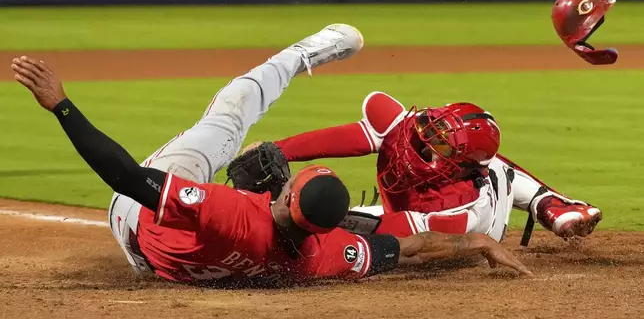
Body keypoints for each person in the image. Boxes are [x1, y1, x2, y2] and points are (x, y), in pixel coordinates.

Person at [11, 29, 532, 288]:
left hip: (137, 223)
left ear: (287, 194)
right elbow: (411, 249)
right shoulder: (323, 256)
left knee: (226, 123)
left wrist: (60, 104)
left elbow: (123, 176)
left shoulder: (230, 210)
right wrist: (476, 239)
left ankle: (302, 54)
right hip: (164, 270)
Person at [237, 94, 601, 246]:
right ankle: (551, 204)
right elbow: (344, 138)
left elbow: (390, 231)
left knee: (497, 174)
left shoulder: (460, 212)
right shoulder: (406, 128)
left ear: (460, 166)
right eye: (431, 130)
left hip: (475, 220)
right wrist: (279, 149)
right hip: (411, 208)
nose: (423, 141)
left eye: (440, 144)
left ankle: (547, 203)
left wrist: (297, 212)